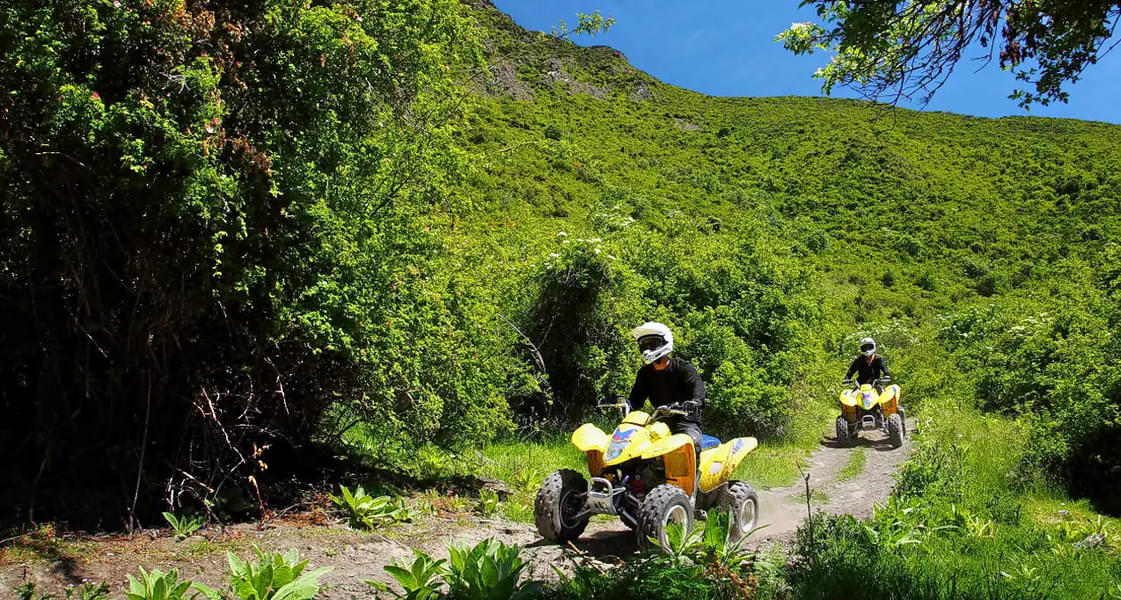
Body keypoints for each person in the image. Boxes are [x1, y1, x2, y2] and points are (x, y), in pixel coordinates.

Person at [627, 322, 705, 461]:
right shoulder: (645, 373)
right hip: (659, 421)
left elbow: (697, 386)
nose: (647, 349)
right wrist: (624, 404)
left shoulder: (683, 368)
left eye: (653, 344)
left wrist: (695, 401)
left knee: (692, 443)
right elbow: (636, 399)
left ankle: (693, 482)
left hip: (685, 421)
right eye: (644, 345)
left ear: (665, 342)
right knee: (632, 445)